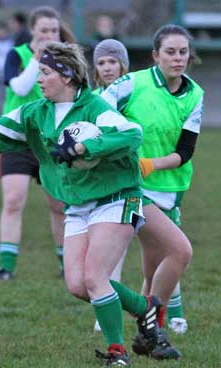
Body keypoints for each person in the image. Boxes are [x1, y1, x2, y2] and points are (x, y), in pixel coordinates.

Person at [0, 41, 163, 367]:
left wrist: (86, 146)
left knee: (95, 277)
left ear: (68, 76)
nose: (39, 79)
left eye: (45, 72)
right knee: (77, 284)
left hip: (117, 197)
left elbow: (131, 135)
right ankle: (145, 308)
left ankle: (117, 353)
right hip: (78, 204)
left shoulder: (96, 108)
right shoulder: (34, 113)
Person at [101, 24, 203, 359]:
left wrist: (151, 164)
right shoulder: (132, 83)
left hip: (170, 190)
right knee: (181, 252)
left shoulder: (195, 95)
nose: (178, 59)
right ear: (155, 55)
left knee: (153, 273)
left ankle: (145, 334)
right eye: (170, 52)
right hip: (134, 188)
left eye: (183, 52)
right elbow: (98, 112)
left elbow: (185, 151)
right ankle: (155, 329)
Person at [0, 6, 76, 281]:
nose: (50, 35)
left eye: (54, 30)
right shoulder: (16, 55)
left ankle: (67, 265)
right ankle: (6, 267)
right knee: (14, 201)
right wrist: (38, 59)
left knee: (59, 205)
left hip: (50, 140)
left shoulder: (65, 59)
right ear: (32, 31)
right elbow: (20, 88)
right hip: (17, 139)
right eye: (44, 30)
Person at [91, 38, 130, 333]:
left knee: (161, 251)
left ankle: (170, 312)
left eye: (112, 61)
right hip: (101, 184)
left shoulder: (133, 95)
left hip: (136, 181)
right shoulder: (92, 99)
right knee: (109, 250)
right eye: (102, 62)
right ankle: (105, 304)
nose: (107, 67)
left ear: (123, 65)